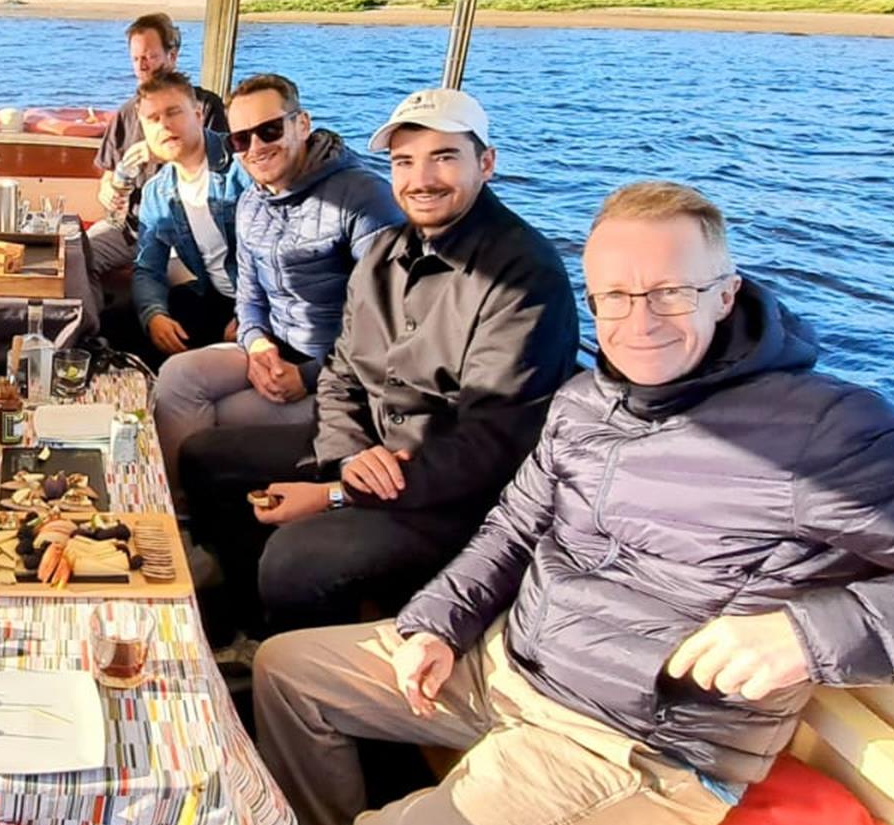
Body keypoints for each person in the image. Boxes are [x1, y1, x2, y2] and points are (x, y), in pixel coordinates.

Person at [253, 181, 894, 825]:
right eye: (615, 297)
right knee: (286, 674)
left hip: (638, 746)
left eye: (670, 292)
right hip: (510, 663)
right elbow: (514, 527)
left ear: (726, 292)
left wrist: (806, 636)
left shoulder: (822, 432)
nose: (639, 322)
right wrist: (440, 624)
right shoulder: (585, 401)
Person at [187, 88, 579, 644]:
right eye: (404, 162)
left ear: (486, 163)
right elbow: (344, 372)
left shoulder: (523, 281)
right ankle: (244, 628)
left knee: (295, 558)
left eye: (444, 157)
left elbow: (489, 447)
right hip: (368, 453)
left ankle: (306, 669)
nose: (421, 179)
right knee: (206, 459)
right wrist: (348, 453)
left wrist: (338, 493)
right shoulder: (384, 254)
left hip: (451, 498)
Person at [152, 73, 401, 489]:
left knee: (221, 414)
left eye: (270, 130)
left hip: (343, 380)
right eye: (240, 139)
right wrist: (257, 343)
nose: (256, 147)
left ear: (301, 124)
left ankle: (210, 523)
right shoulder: (252, 202)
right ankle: (179, 520)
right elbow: (249, 297)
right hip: (279, 349)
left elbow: (390, 329)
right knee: (177, 378)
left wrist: (305, 377)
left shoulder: (363, 200)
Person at [85, 12, 229, 279]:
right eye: (136, 59)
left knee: (175, 278)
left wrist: (162, 152)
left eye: (150, 57)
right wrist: (107, 191)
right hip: (130, 229)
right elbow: (108, 175)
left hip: (187, 230)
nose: (142, 66)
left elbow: (221, 170)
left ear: (172, 56)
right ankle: (89, 321)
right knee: (77, 259)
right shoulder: (127, 113)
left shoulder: (205, 107)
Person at [126, 70, 248, 361]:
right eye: (153, 119)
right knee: (125, 330)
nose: (165, 125)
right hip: (215, 296)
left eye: (173, 113)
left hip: (263, 301)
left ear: (198, 115)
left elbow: (280, 255)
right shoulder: (157, 192)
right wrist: (154, 316)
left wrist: (254, 315)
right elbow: (148, 268)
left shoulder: (242, 164)